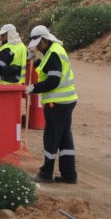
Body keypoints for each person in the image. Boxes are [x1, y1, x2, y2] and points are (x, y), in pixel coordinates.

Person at [27, 25, 78, 184]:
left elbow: (53, 80)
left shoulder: (54, 53)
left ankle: (46, 173)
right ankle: (69, 175)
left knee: (51, 137)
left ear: (44, 39)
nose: (37, 46)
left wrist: (34, 88)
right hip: (67, 100)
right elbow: (46, 69)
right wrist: (35, 61)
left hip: (57, 102)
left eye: (38, 43)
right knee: (64, 137)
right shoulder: (54, 50)